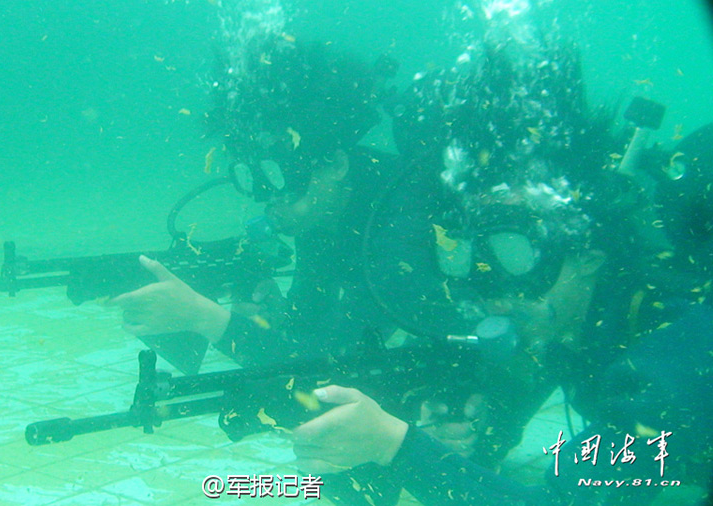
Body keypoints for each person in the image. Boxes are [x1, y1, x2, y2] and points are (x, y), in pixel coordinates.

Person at [290, 5, 713, 505]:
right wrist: (461, 431)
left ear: (588, 253)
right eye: (471, 261)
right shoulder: (574, 324)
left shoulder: (682, 353)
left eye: (517, 256)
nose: (494, 300)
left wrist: (396, 447)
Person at [108, 36, 405, 367]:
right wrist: (279, 318)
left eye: (287, 182)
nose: (273, 204)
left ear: (337, 165)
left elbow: (331, 362)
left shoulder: (402, 218)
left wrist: (203, 317)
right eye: (260, 183)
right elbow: (308, 332)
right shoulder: (323, 214)